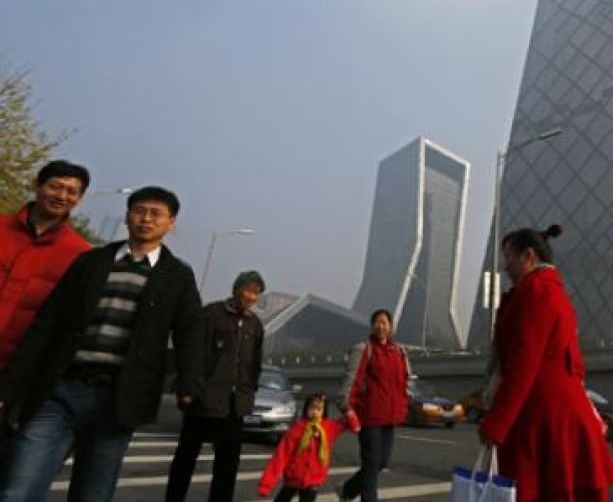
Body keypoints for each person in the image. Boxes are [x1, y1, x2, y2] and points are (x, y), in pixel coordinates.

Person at [0, 186, 203, 502]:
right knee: (18, 488)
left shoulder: (177, 276)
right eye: (139, 210)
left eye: (156, 213)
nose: (146, 219)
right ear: (127, 216)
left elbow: (190, 333)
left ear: (170, 223)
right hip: (60, 392)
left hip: (117, 400)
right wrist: (11, 385)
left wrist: (188, 385)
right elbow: (48, 323)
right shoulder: (91, 262)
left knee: (92, 494)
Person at [479, 225, 613, 502]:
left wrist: (497, 424)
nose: (505, 267)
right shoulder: (554, 293)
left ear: (528, 256)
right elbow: (576, 365)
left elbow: (523, 365)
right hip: (557, 410)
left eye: (509, 257)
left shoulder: (536, 293)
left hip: (543, 415)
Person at [166, 270, 266, 502]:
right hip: (204, 400)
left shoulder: (255, 325)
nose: (252, 297)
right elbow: (193, 353)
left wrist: (249, 393)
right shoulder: (211, 314)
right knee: (186, 458)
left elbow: (256, 363)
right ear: (237, 289)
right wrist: (189, 389)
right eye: (249, 291)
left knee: (228, 465)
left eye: (256, 294)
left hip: (235, 405)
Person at [0, 160, 92, 371]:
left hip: (12, 368)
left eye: (71, 191)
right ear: (37, 186)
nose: (61, 196)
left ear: (79, 199)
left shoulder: (80, 254)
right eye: (55, 186)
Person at [336, 309, 410, 502]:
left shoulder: (399, 351)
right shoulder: (363, 349)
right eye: (377, 322)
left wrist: (404, 406)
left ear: (391, 326)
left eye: (385, 322)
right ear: (372, 326)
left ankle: (347, 490)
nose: (381, 326)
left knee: (381, 462)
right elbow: (351, 379)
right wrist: (347, 406)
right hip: (369, 416)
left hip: (390, 416)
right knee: (371, 463)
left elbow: (404, 382)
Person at [257, 393, 361, 501]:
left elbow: (355, 427)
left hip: (313, 480)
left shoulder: (329, 427)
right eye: (312, 408)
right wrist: (265, 485)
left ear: (323, 411)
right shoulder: (298, 428)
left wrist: (348, 410)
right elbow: (281, 456)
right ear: (307, 408)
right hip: (293, 477)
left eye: (319, 409)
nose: (315, 411)